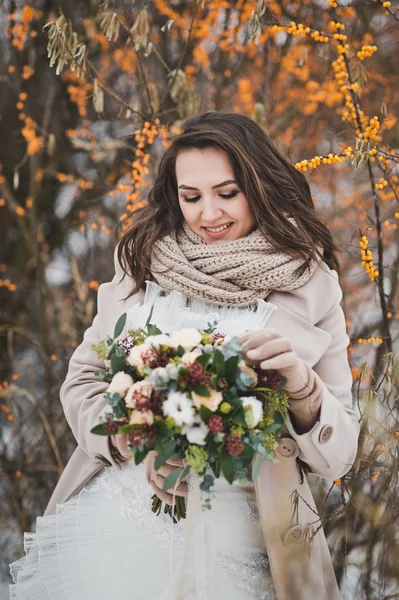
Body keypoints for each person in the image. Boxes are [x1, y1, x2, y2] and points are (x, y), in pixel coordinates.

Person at [9, 111, 359, 600]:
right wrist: (136, 439)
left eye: (227, 193)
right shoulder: (142, 262)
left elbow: (339, 455)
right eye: (190, 197)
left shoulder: (310, 282)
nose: (208, 214)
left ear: (260, 186)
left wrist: (302, 389)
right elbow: (83, 383)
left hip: (250, 541)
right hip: (119, 527)